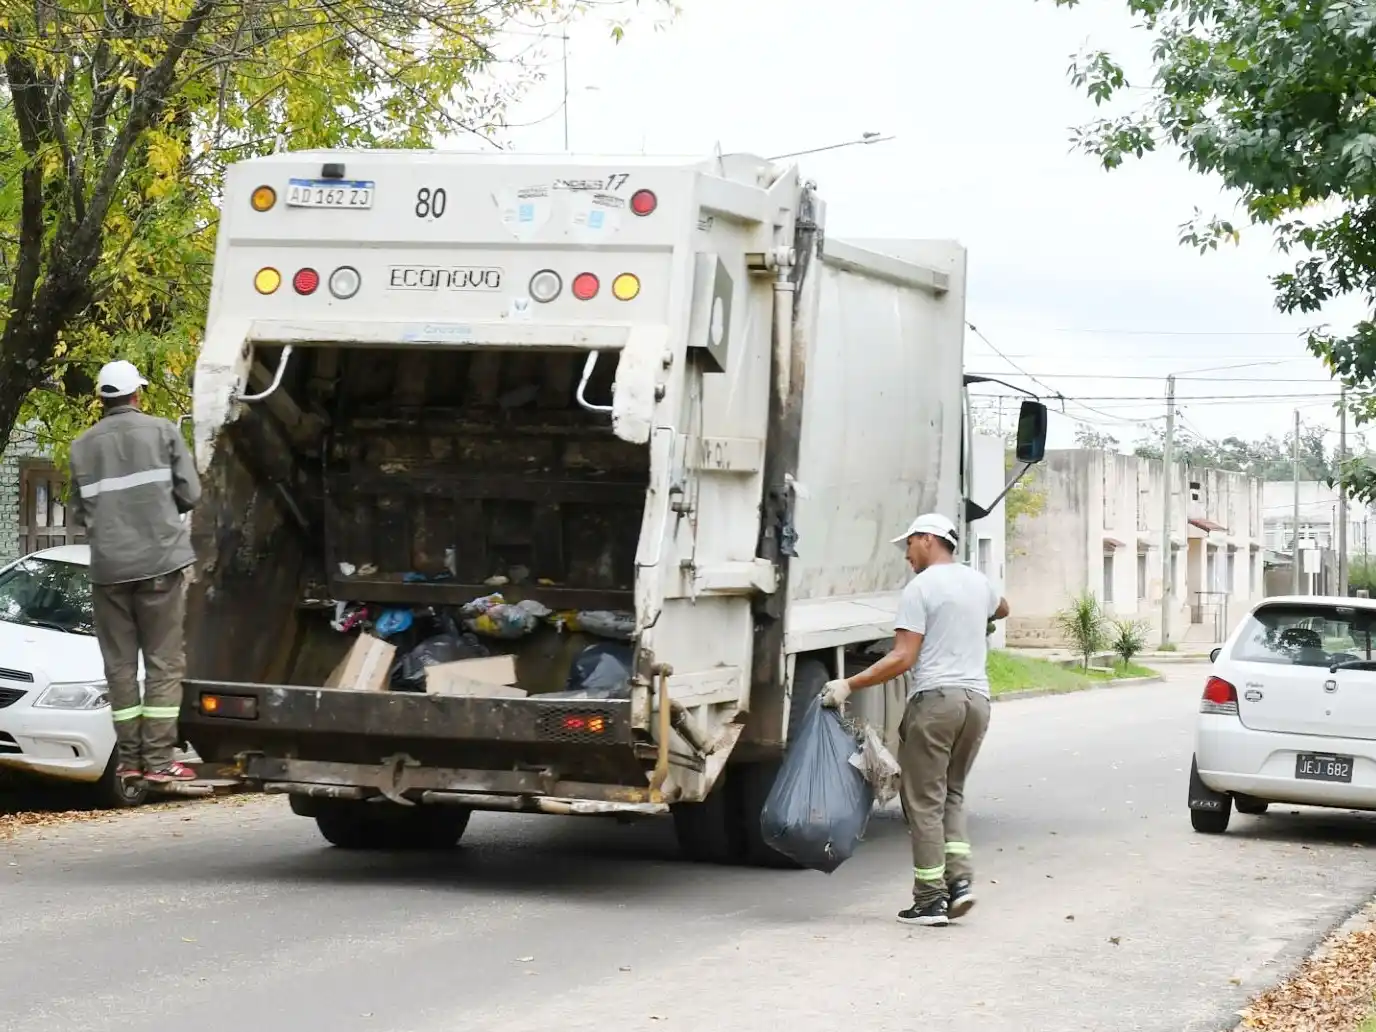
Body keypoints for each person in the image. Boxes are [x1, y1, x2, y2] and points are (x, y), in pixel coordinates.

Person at [820, 512, 1008, 927]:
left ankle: (930, 899)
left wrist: (849, 684)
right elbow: (1003, 608)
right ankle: (960, 883)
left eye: (908, 544)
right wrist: (971, 619)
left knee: (923, 801)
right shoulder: (978, 582)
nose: (906, 554)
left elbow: (903, 657)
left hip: (937, 702)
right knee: (951, 793)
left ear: (927, 539)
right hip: (977, 702)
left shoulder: (921, 588)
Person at [68, 360, 203, 784]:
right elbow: (191, 493)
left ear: (102, 398)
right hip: (160, 564)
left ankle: (129, 761)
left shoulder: (81, 447)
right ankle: (159, 760)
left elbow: (79, 512)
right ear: (137, 395)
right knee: (163, 663)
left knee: (120, 668)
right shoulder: (162, 432)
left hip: (108, 572)